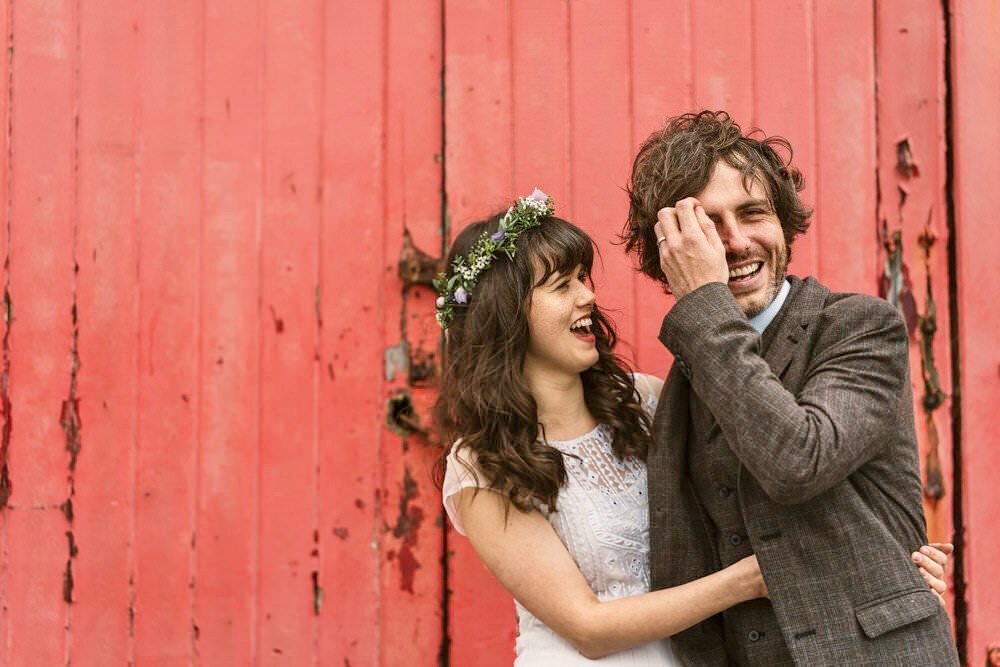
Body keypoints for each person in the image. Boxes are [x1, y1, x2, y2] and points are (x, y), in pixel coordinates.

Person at [434, 189, 951, 665]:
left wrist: (889, 560)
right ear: (504, 316)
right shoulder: (482, 461)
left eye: (584, 280)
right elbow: (587, 628)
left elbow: (764, 483)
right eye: (561, 285)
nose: (587, 297)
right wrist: (748, 579)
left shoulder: (647, 401)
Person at [622, 110, 960, 665]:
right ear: (671, 250)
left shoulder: (858, 326)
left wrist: (702, 305)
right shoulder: (684, 377)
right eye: (708, 226)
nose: (735, 242)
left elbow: (798, 460)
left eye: (753, 214)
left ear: (784, 221)